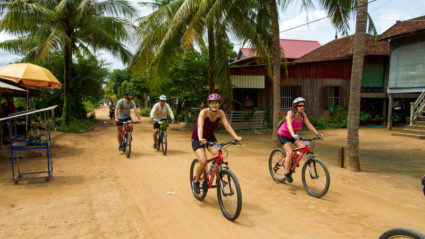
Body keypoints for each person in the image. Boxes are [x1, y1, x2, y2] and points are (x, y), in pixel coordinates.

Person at [191, 93, 242, 194]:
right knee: (203, 160)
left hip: (210, 138)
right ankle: (196, 181)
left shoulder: (221, 113)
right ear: (209, 104)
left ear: (219, 104)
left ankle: (219, 179)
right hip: (197, 138)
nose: (214, 105)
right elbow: (200, 125)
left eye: (217, 103)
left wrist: (235, 137)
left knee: (219, 154)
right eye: (212, 102)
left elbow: (227, 126)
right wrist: (201, 138)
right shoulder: (204, 112)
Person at [277, 97, 322, 183]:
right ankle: (287, 173)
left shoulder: (302, 115)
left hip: (294, 135)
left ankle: (291, 161)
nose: (302, 107)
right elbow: (289, 124)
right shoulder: (291, 113)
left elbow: (309, 124)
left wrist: (317, 134)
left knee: (302, 147)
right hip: (284, 134)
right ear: (295, 106)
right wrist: (293, 134)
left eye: (303, 105)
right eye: (300, 105)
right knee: (289, 152)